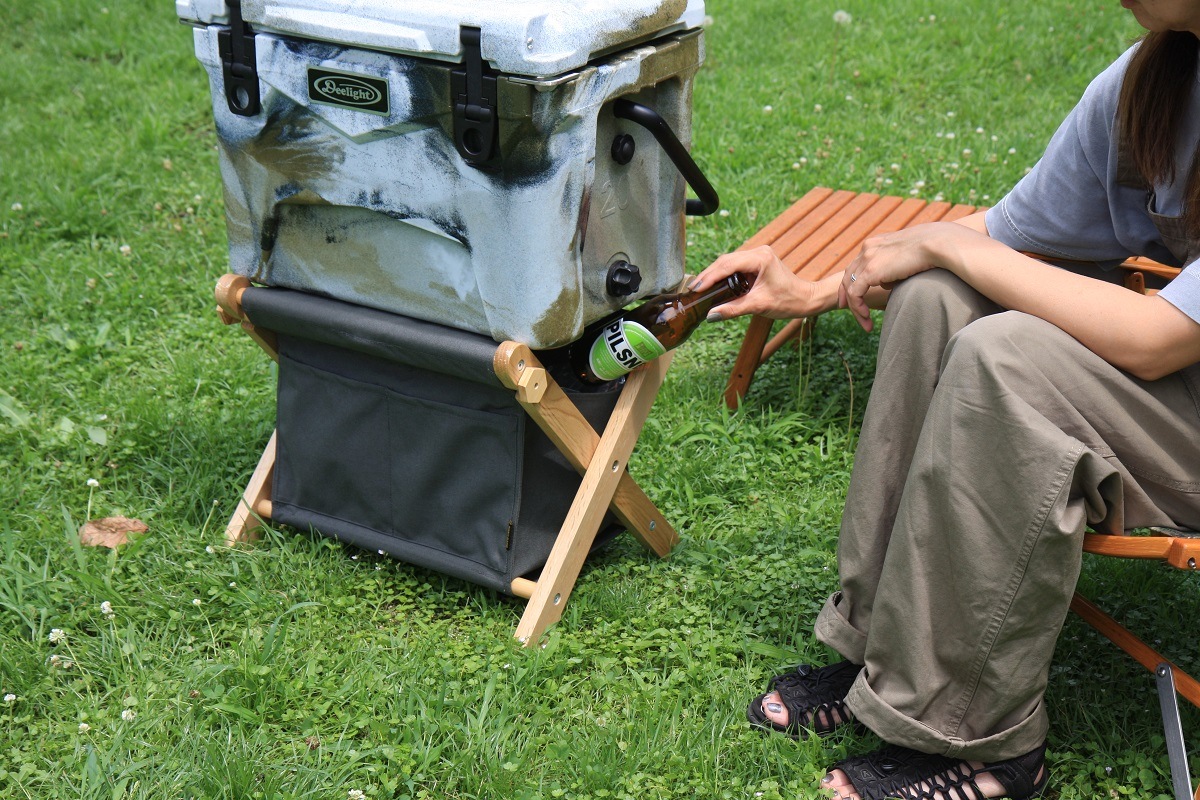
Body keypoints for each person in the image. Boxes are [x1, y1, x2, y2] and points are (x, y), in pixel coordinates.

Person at [689, 1, 1200, 797]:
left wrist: (944, 242)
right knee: (935, 298)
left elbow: (1155, 340)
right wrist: (816, 288)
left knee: (1008, 357)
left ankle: (990, 748)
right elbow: (1008, 232)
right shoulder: (1158, 76)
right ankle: (880, 661)